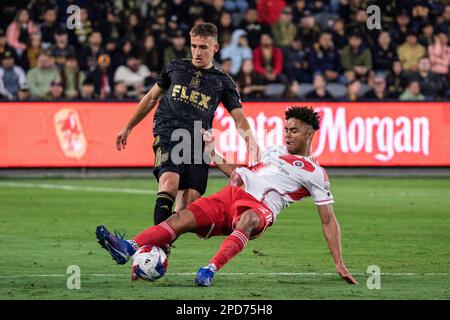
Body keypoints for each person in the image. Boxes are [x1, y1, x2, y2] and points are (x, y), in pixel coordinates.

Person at [96, 106, 358, 287]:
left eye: (295, 130)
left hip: (260, 209)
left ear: (310, 134)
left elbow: (328, 220)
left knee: (247, 221)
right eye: (286, 129)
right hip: (231, 194)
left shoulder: (315, 173)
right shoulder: (274, 151)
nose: (288, 134)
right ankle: (127, 247)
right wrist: (212, 153)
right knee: (181, 219)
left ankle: (208, 270)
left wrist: (339, 262)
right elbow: (241, 172)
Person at [115, 23, 260, 241]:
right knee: (169, 183)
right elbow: (151, 98)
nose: (197, 52)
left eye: (203, 47)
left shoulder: (223, 82)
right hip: (168, 132)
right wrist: (128, 126)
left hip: (198, 141)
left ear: (216, 48)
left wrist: (252, 144)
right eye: (193, 46)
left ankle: (158, 244)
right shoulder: (175, 67)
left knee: (187, 206)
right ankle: (154, 248)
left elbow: (239, 118)